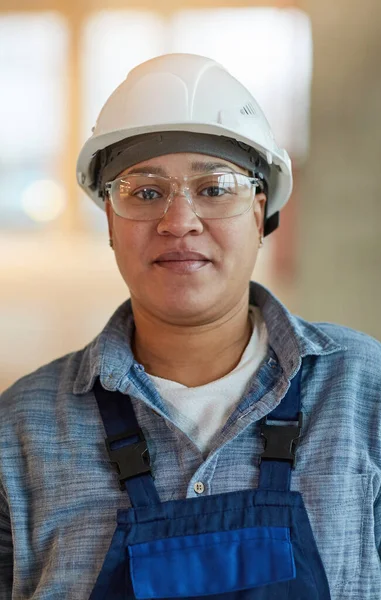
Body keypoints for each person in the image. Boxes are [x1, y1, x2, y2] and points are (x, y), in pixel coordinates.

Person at [0, 53, 380, 600]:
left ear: (259, 210)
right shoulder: (21, 432)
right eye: (145, 192)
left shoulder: (365, 393)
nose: (179, 222)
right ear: (109, 218)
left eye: (215, 187)